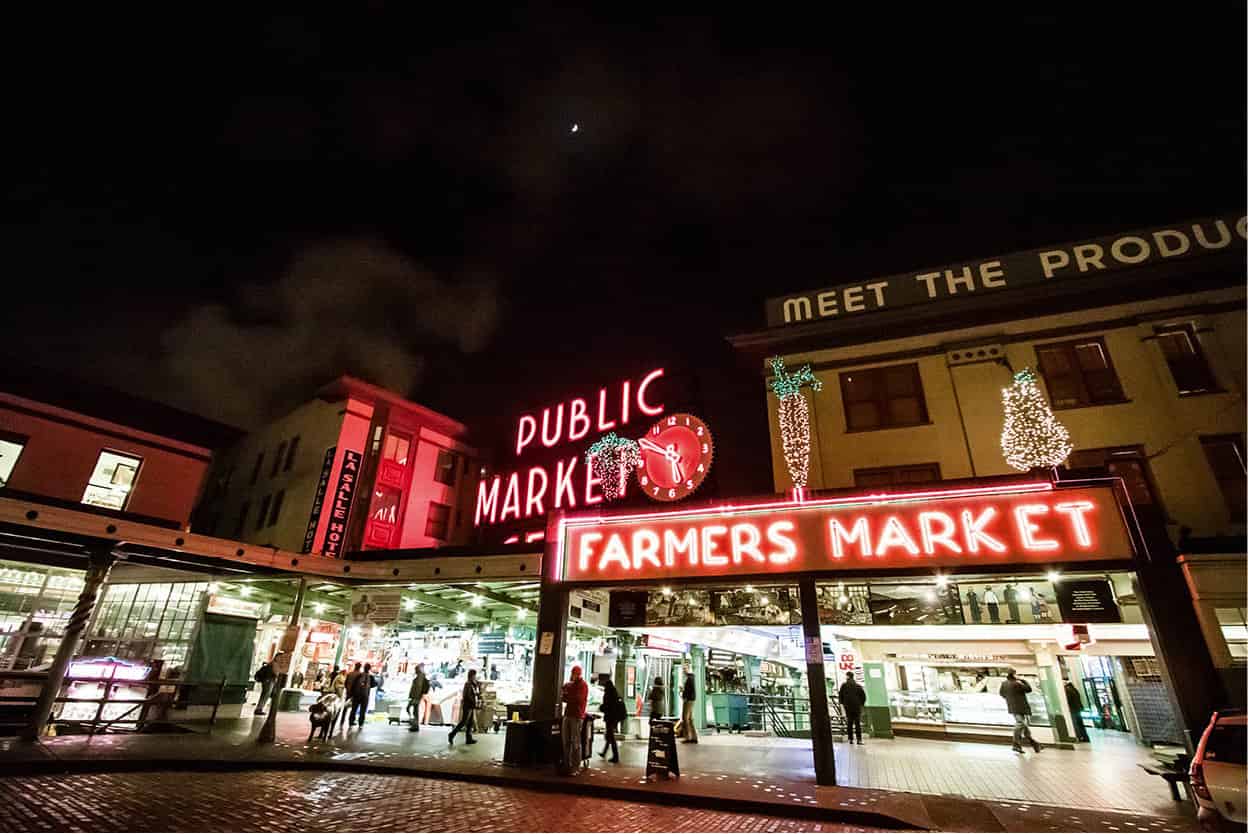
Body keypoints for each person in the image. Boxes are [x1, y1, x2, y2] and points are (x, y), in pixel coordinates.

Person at [999, 669, 1041, 754]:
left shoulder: (1004, 684)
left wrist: (1010, 699)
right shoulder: (1017, 683)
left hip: (1012, 707)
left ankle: (1034, 744)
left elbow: (1002, 694)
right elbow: (1029, 689)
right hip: (1020, 707)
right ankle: (1016, 744)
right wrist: (1023, 680)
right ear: (1014, 675)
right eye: (1016, 674)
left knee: (1024, 726)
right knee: (1020, 724)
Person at [559, 665, 589, 775]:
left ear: (577, 674)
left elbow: (577, 699)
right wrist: (567, 695)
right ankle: (568, 765)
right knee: (566, 741)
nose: (571, 676)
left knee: (575, 742)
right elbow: (564, 697)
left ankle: (575, 767)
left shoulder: (582, 685)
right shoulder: (571, 685)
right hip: (568, 714)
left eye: (573, 674)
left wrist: (567, 695)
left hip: (576, 716)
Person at [598, 673, 625, 763]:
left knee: (611, 737)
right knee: (609, 736)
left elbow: (607, 706)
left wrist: (601, 707)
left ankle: (615, 756)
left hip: (610, 718)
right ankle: (604, 752)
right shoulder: (614, 693)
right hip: (614, 718)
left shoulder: (608, 694)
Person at [448, 669, 480, 745]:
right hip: (468, 706)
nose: (475, 677)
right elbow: (467, 695)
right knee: (463, 722)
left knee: (470, 723)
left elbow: (474, 693)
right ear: (471, 676)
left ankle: (469, 738)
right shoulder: (468, 684)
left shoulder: (472, 684)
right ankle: (452, 734)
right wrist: (473, 701)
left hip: (471, 706)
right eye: (474, 675)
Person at [837, 671, 867, 745]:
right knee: (857, 723)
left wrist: (842, 703)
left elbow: (840, 695)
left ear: (847, 676)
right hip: (857, 707)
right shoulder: (858, 686)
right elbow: (863, 696)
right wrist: (861, 704)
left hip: (848, 707)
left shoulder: (844, 685)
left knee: (849, 723)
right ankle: (859, 740)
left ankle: (850, 739)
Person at [349, 663, 376, 728]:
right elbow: (374, 684)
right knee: (363, 710)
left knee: (354, 709)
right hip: (365, 695)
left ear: (364, 668)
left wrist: (351, 694)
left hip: (357, 695)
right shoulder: (371, 676)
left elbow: (353, 685)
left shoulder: (359, 675)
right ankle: (360, 723)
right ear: (369, 669)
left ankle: (351, 721)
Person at [408, 663, 430, 732]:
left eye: (416, 669)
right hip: (416, 696)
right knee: (414, 710)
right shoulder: (419, 678)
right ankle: (414, 724)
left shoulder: (420, 678)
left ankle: (414, 725)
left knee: (414, 711)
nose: (415, 671)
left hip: (416, 696)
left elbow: (418, 688)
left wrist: (416, 696)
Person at [680, 671, 699, 743]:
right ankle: (694, 737)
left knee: (685, 718)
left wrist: (684, 695)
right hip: (691, 699)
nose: (684, 670)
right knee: (690, 719)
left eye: (685, 668)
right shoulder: (692, 677)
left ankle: (688, 737)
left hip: (688, 700)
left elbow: (689, 690)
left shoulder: (690, 678)